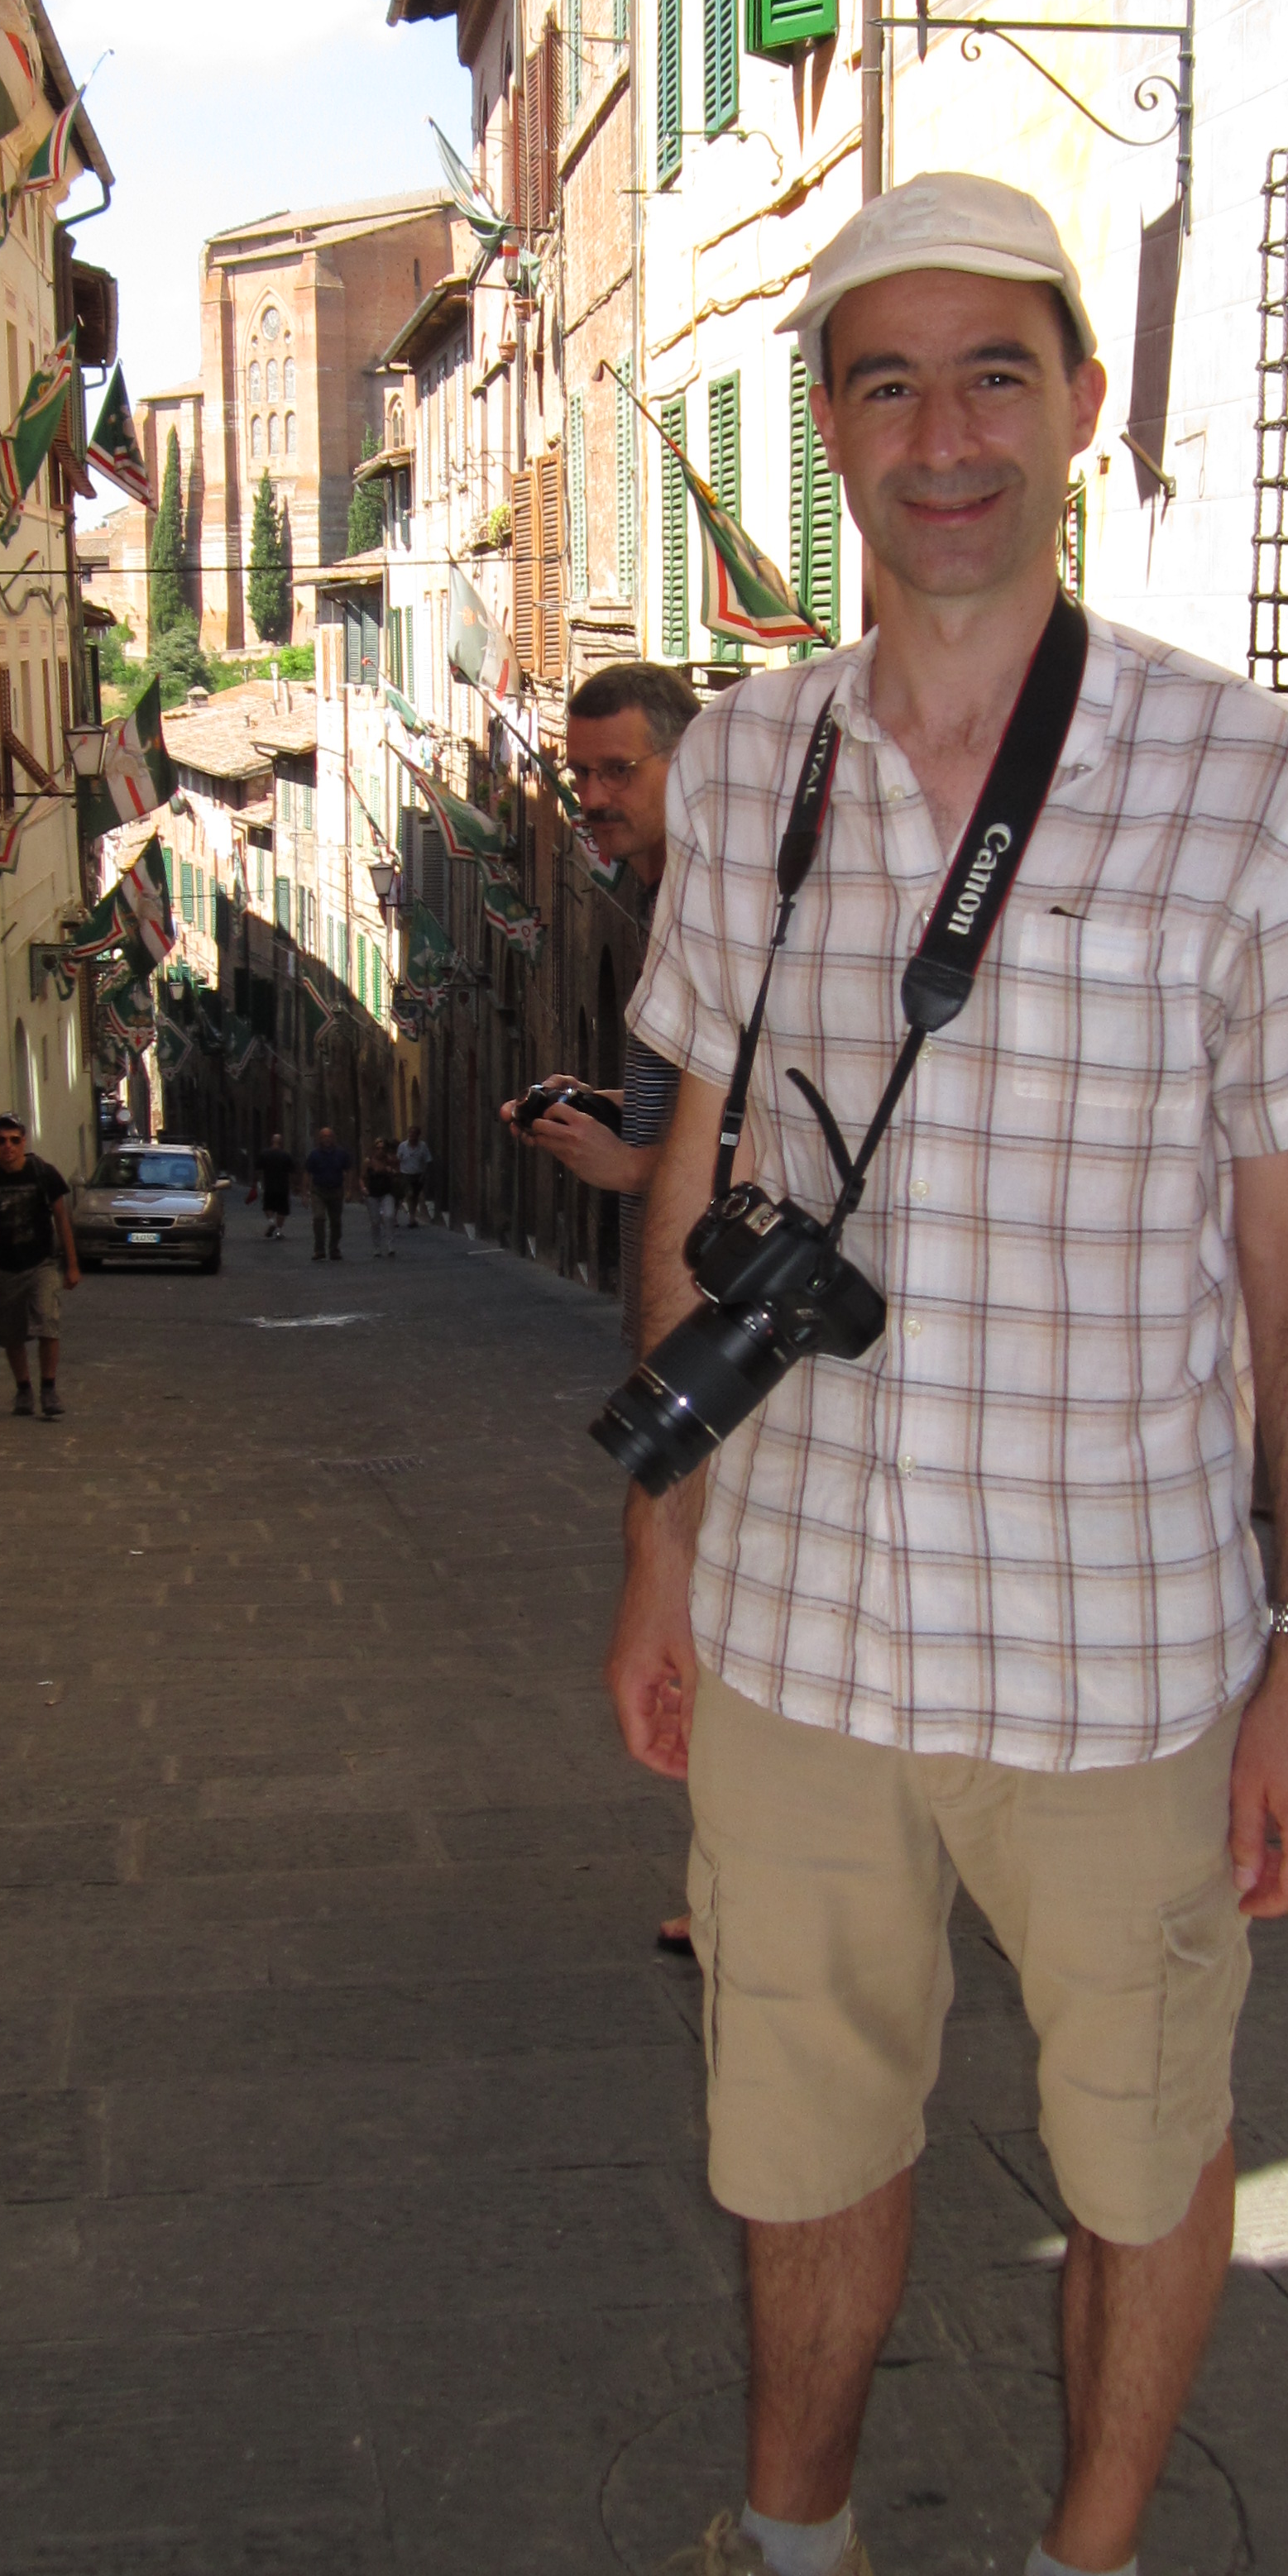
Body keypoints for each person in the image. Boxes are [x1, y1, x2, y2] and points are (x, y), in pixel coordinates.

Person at [516, 176, 1288, 2576]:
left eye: (994, 374)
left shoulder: (1249, 777)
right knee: (799, 2129)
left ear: (1081, 408)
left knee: (1141, 2151)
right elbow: (702, 1165)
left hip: (1126, 1648)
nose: (944, 435)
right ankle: (793, 2565)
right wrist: (662, 1544)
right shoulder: (749, 764)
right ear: (829, 429)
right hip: (800, 1627)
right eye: (886, 381)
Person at [504, 658, 707, 1950]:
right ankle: (734, 1881)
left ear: (690, 758)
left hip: (724, 1319)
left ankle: (743, 1890)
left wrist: (636, 1169)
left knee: (721, 1598)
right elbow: (700, 1096)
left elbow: (769, 1116)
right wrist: (614, 1112)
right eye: (578, 773)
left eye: (618, 769)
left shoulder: (726, 896)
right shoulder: (671, 893)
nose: (590, 796)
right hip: (685, 1301)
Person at [0, 1113, 79, 1419]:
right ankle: (24, 1388)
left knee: (48, 1322)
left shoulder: (43, 1173)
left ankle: (49, 1388)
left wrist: (72, 1265)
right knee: (11, 1333)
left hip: (42, 1264)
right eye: (2, 1141)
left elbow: (62, 1219)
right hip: (4, 1268)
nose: (8, 1146)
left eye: (14, 1140)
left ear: (24, 1141)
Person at [304, 1121, 354, 1262]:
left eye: (329, 1136)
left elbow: (349, 1170)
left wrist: (349, 1190)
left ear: (333, 1138)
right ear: (320, 1139)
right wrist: (305, 1193)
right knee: (319, 1218)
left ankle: (334, 1249)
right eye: (324, 1137)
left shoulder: (341, 1154)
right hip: (318, 1191)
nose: (326, 1139)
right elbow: (307, 1173)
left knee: (336, 1222)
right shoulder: (314, 1155)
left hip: (336, 1190)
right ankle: (319, 1250)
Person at [251, 1129, 295, 1241]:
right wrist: (292, 1185)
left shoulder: (264, 1154)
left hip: (269, 1186)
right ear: (281, 1143)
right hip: (283, 1186)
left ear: (272, 1141)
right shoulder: (286, 1155)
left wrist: (255, 1183)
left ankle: (271, 1222)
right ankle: (279, 1231)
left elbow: (257, 1170)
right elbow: (292, 1172)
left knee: (268, 1206)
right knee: (282, 1209)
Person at [363, 1135, 402, 1258]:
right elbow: (362, 1177)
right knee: (375, 1221)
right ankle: (377, 1247)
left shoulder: (390, 1160)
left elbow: (398, 1172)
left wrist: (392, 1171)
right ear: (374, 1149)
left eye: (383, 1148)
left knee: (389, 1216)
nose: (380, 1150)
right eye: (378, 1148)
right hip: (372, 1194)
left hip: (387, 1193)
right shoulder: (368, 1161)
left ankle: (391, 1245)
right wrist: (363, 1188)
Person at [397, 1121, 433, 1226]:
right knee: (410, 1194)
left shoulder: (423, 1146)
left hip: (418, 1175)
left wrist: (424, 1174)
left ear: (418, 1135)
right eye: (410, 1133)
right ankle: (412, 1217)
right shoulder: (403, 1146)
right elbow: (398, 1159)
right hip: (406, 1174)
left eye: (414, 1133)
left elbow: (428, 1160)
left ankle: (412, 1215)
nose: (411, 1135)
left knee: (415, 1196)